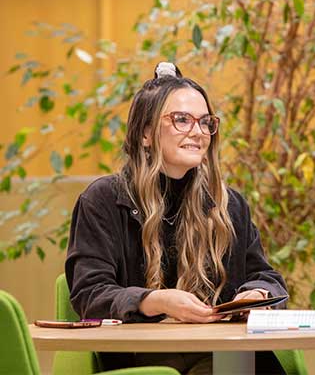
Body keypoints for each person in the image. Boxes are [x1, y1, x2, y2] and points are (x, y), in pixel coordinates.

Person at [66, 62, 287, 374]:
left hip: (219, 348)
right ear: (145, 133)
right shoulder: (103, 200)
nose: (197, 132)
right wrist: (155, 301)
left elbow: (270, 279)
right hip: (142, 357)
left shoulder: (229, 204)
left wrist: (257, 295)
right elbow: (89, 294)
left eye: (204, 122)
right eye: (181, 120)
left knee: (256, 365)